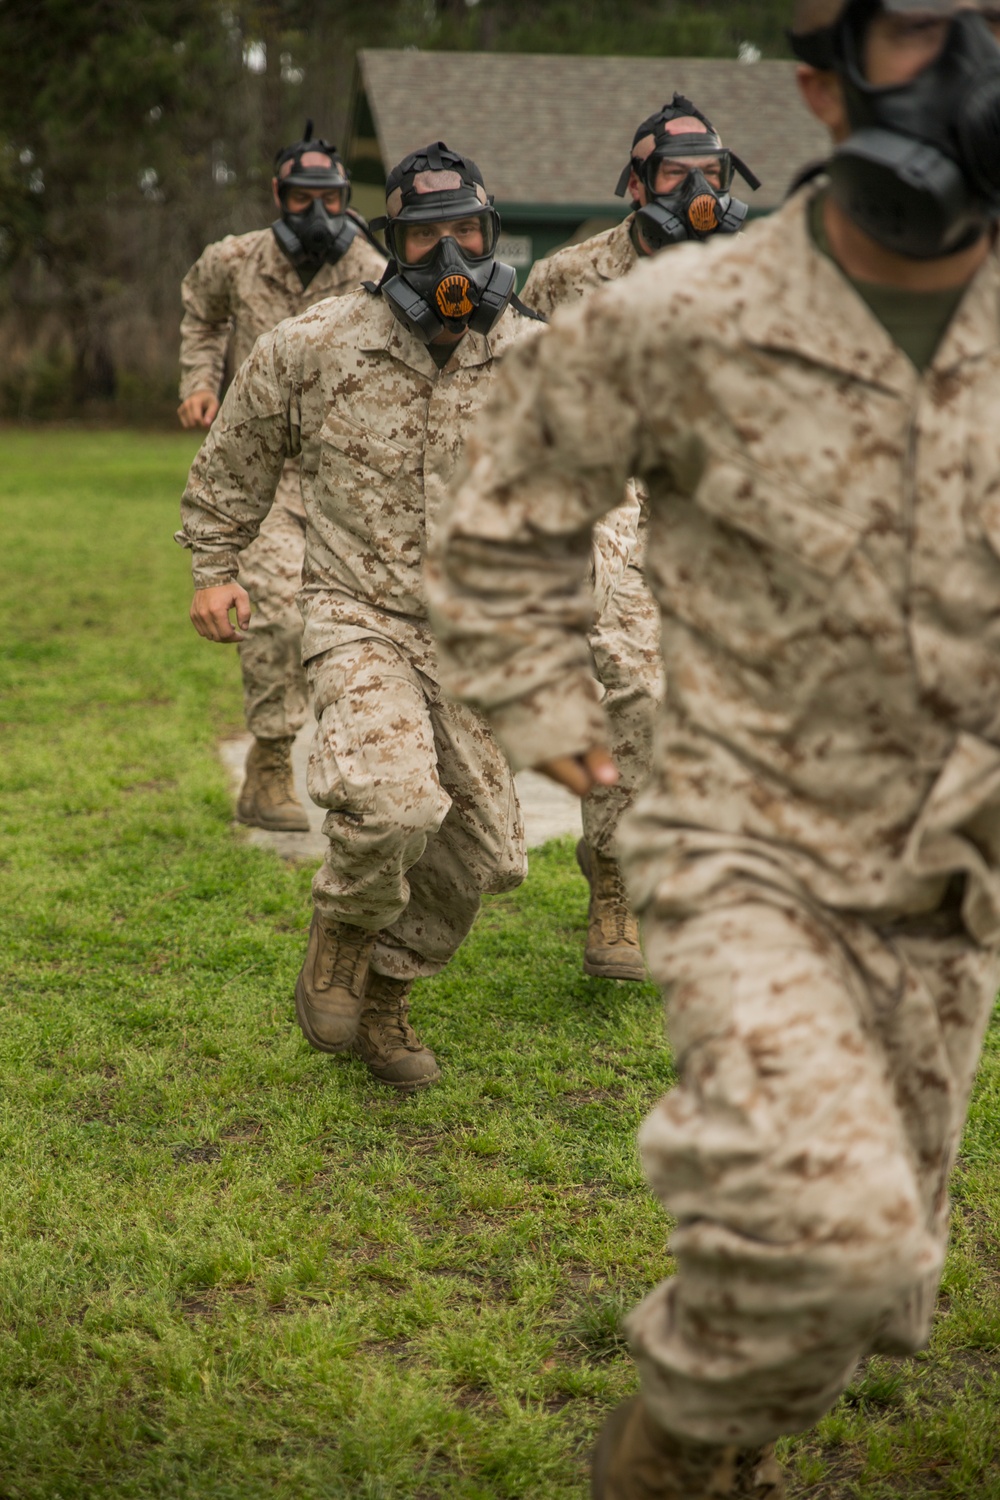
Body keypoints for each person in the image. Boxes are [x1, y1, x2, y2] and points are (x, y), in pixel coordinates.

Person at [428, 2, 1000, 1492]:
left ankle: (726, 1436)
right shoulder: (672, 321)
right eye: (936, 26)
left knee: (872, 1288)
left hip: (962, 885)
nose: (979, 61)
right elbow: (502, 534)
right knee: (836, 1234)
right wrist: (554, 716)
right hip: (754, 853)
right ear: (822, 85)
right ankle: (660, 1459)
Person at [179, 143, 542, 1092]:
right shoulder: (315, 345)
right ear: (393, 243)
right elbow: (235, 465)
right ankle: (341, 929)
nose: (453, 253)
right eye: (429, 233)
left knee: (489, 856)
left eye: (469, 231)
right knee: (394, 802)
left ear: (491, 235)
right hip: (357, 610)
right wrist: (215, 567)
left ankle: (386, 994)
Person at [521, 97, 759, 983]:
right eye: (676, 176)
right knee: (642, 689)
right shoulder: (564, 279)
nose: (698, 191)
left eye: (714, 176)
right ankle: (614, 881)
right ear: (636, 185)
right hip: (614, 503)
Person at [177, 123, 386, 833]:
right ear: (278, 194)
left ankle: (363, 766)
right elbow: (201, 314)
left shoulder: (369, 266)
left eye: (329, 198)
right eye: (301, 197)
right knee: (274, 606)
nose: (317, 214)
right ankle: (269, 766)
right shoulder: (235, 260)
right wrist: (199, 380)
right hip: (260, 466)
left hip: (342, 471)